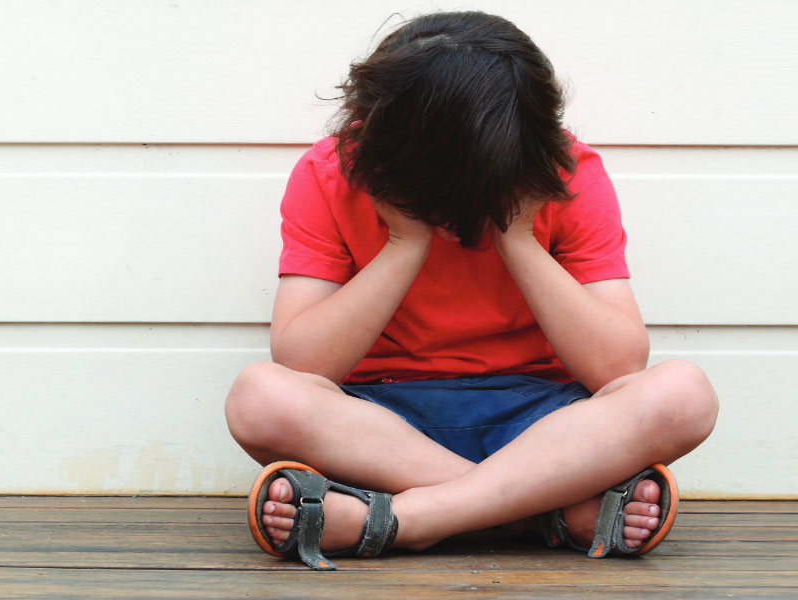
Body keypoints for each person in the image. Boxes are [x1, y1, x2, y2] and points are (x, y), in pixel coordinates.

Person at [224, 11, 718, 570]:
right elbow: (302, 363)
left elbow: (618, 367)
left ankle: (397, 520)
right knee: (258, 397)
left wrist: (519, 233)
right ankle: (547, 513)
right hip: (383, 424)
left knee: (684, 395)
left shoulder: (566, 171)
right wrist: (404, 243)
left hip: (548, 423)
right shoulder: (331, 171)